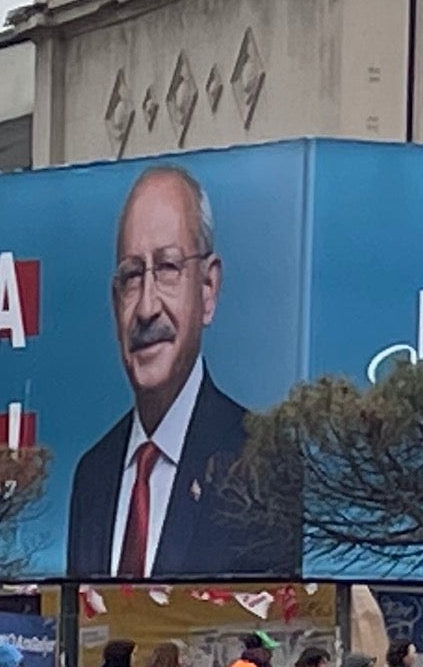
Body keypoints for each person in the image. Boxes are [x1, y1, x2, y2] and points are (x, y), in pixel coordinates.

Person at [64, 166, 300, 581]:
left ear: (208, 289)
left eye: (168, 267)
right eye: (132, 276)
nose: (147, 307)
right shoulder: (93, 476)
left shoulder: (260, 462)